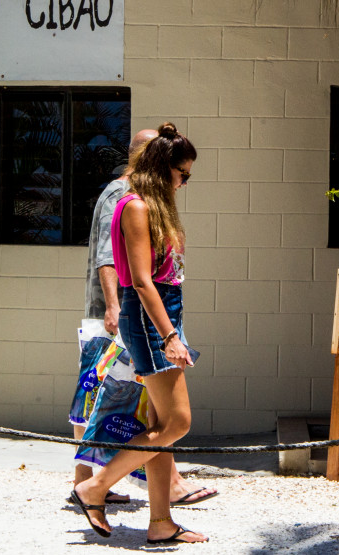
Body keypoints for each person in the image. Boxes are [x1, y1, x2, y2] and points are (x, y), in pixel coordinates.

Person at [70, 123, 208, 544]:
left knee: (159, 423)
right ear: (163, 167)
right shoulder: (134, 206)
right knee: (177, 423)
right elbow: (142, 282)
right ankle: (95, 486)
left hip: (163, 315)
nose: (185, 182)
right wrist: (169, 336)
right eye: (183, 173)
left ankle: (160, 522)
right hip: (150, 320)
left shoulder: (154, 206)